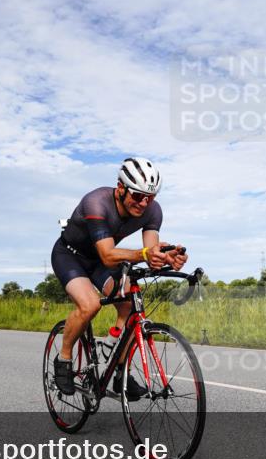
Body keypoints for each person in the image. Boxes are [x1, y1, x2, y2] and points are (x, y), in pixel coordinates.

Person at [52, 158, 187, 399]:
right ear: (121, 188)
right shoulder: (96, 202)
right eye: (137, 196)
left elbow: (150, 251)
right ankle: (63, 358)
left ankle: (119, 373)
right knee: (90, 305)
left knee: (128, 304)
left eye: (150, 197)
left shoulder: (152, 211)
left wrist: (165, 258)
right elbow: (107, 254)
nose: (144, 203)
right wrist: (145, 254)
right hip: (71, 257)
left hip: (102, 262)